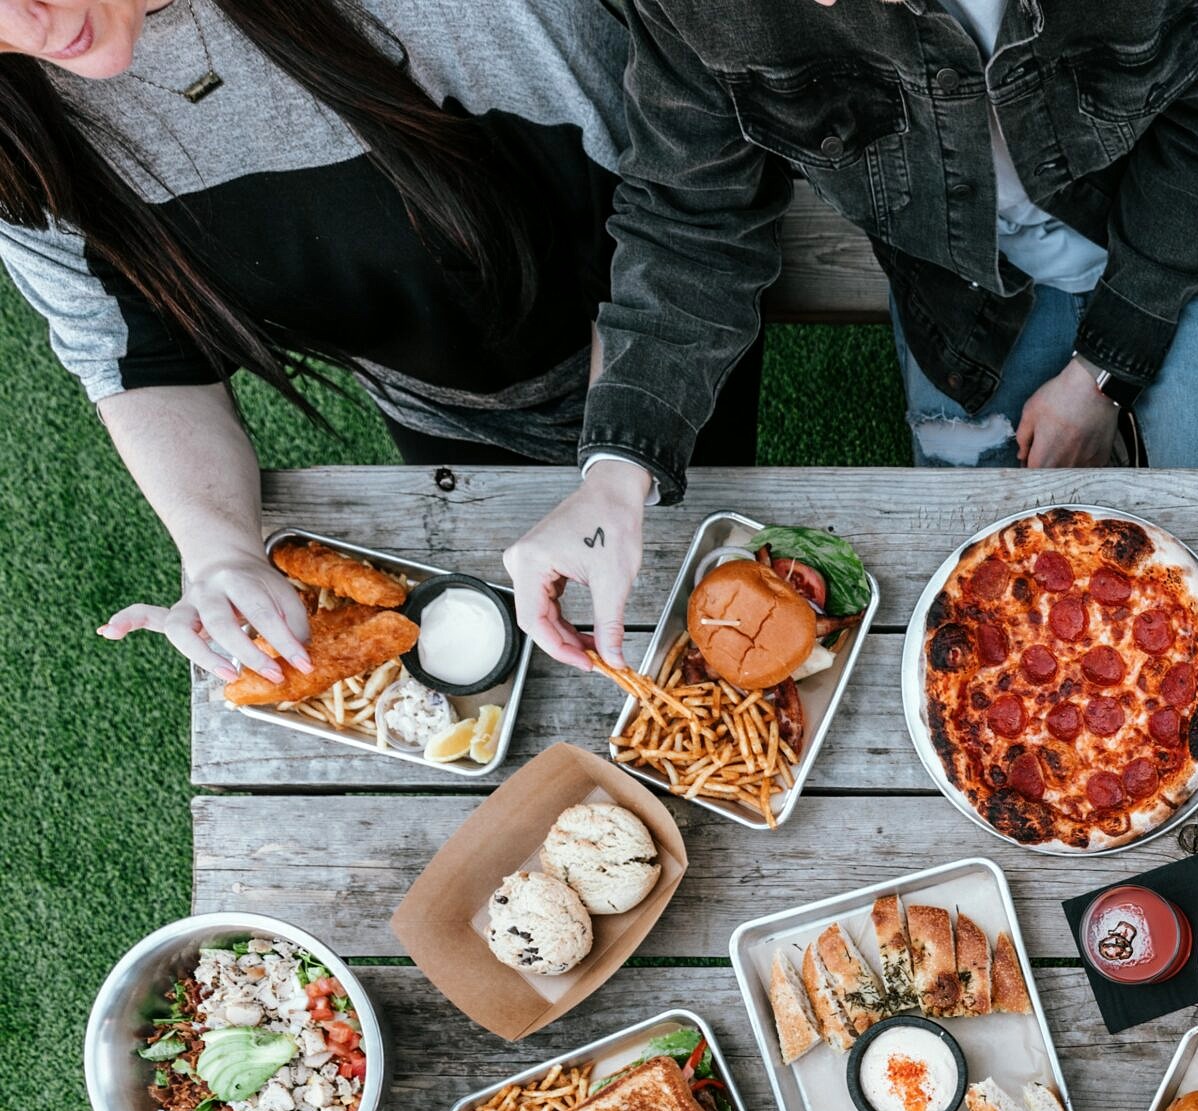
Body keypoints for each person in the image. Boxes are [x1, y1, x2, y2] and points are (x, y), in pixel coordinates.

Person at [504, 0, 1198, 673]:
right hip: (964, 294)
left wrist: (1102, 372)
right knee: (988, 628)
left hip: (1184, 246)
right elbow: (690, 217)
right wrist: (615, 475)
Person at [0, 0, 754, 687]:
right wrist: (217, 549)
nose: (27, 25)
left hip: (658, 348)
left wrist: (619, 466)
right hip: (435, 407)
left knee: (709, 628)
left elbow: (675, 214)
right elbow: (138, 354)